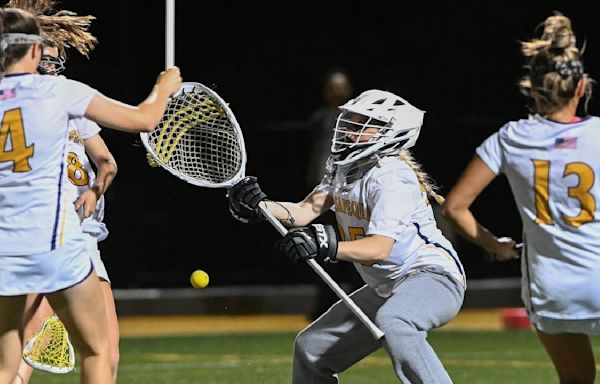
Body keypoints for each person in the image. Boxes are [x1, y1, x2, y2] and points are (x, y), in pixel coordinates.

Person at [228, 89, 466, 383]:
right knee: (312, 350)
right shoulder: (345, 169)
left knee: (396, 322)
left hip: (431, 277)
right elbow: (304, 211)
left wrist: (326, 245)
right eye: (351, 122)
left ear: (392, 133)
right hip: (386, 286)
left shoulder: (391, 177)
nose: (351, 130)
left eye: (363, 124)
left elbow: (379, 249)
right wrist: (259, 206)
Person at [0, 8, 181, 383]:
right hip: (57, 242)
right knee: (98, 352)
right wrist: (164, 87)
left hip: (5, 250)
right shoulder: (60, 91)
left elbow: (106, 163)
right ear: (34, 52)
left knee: (5, 366)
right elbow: (145, 119)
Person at [442, 13, 598, 384]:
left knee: (577, 379)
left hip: (554, 288)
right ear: (580, 88)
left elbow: (453, 207)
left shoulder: (512, 137)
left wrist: (494, 244)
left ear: (532, 89)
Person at [11, 6, 120, 381]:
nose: (54, 71)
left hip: (84, 234)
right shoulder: (23, 106)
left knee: (108, 353)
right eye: (47, 63)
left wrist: (94, 189)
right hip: (45, 233)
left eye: (58, 64)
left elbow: (106, 162)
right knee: (24, 351)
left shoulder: (72, 106)